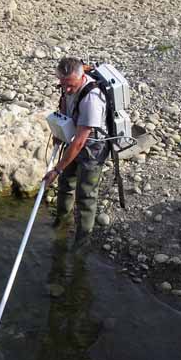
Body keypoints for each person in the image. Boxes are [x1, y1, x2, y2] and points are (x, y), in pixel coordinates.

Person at [43, 57, 109, 251]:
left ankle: (82, 241)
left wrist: (56, 169)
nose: (67, 89)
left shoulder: (92, 99)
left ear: (81, 78)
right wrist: (59, 132)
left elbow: (80, 141)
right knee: (65, 183)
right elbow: (64, 105)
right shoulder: (66, 86)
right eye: (63, 85)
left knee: (86, 194)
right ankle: (61, 221)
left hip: (92, 147)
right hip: (75, 138)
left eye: (71, 86)